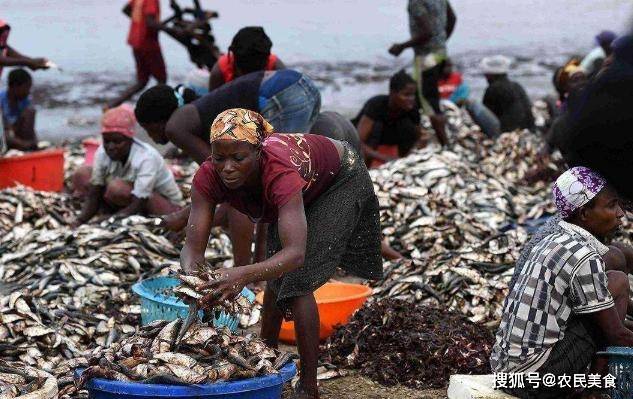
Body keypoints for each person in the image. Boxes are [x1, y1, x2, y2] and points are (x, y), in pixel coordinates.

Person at [183, 108, 382, 399]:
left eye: (238, 158)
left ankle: (309, 386)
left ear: (258, 152)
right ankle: (266, 353)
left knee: (297, 281)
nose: (226, 168)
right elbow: (191, 247)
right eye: (219, 158)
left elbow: (295, 255)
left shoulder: (279, 170)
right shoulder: (207, 176)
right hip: (302, 188)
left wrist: (240, 274)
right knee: (275, 277)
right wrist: (194, 279)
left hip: (339, 178)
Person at [135, 70, 320, 266]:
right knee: (278, 184)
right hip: (303, 86)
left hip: (281, 95)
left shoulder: (175, 127)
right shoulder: (195, 112)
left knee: (264, 188)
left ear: (157, 122)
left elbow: (225, 182)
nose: (152, 138)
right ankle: (265, 268)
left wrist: (183, 217)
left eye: (148, 130)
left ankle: (250, 273)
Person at [491, 167, 633, 398]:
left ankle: (593, 387)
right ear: (584, 214)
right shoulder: (583, 255)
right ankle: (596, 389)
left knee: (615, 283)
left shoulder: (554, 239)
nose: (621, 214)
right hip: (533, 381)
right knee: (603, 323)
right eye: (611, 205)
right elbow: (617, 335)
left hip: (505, 372)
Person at [71, 106, 182, 226]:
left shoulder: (146, 157)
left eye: (117, 142)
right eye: (107, 141)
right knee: (82, 174)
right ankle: (119, 214)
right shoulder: (102, 152)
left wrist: (109, 220)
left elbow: (140, 201)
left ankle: (127, 217)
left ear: (130, 140)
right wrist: (80, 221)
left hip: (164, 206)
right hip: (129, 199)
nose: (111, 147)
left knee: (116, 188)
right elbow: (95, 192)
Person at [388, 0, 456, 147]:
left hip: (426, 59)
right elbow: (452, 19)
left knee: (428, 102)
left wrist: (401, 46)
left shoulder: (416, 2)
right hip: (440, 54)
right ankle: (419, 140)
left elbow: (426, 32)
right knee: (423, 99)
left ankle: (446, 145)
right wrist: (441, 41)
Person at [352, 70, 426, 167]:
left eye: (413, 95)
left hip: (392, 139)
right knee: (376, 129)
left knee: (409, 129)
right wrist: (385, 158)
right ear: (393, 93)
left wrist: (409, 157)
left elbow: (420, 138)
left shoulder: (412, 109)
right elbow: (358, 142)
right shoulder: (376, 105)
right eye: (406, 95)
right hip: (371, 141)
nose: (411, 99)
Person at [107, 0, 167, 109]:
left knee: (142, 81)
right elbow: (150, 22)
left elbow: (126, 10)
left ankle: (110, 106)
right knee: (162, 80)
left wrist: (139, 25)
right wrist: (171, 29)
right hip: (148, 43)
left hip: (136, 42)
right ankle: (157, 111)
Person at [208, 26, 285, 91]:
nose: (251, 79)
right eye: (246, 74)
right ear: (234, 60)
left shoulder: (276, 68)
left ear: (266, 61)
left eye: (257, 73)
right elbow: (211, 106)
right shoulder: (219, 72)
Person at [481, 55, 534, 133]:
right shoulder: (516, 85)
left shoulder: (492, 89)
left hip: (506, 130)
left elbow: (487, 114)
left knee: (471, 104)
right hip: (528, 128)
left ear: (490, 75)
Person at [0, 69, 38, 151]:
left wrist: (34, 142)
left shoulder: (25, 101)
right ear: (15, 86)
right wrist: (23, 144)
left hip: (14, 133)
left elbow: (28, 125)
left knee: (30, 112)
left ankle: (28, 147)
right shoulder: (1, 100)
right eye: (26, 88)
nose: (28, 92)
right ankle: (23, 146)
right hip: (4, 135)